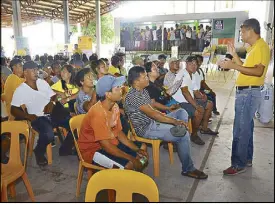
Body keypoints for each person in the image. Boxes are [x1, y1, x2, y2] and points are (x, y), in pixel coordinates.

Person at [125, 66, 208, 179]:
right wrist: (174, 122)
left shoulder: (143, 90)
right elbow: (153, 114)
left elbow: (152, 106)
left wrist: (168, 110)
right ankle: (188, 168)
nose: (147, 79)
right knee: (183, 135)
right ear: (136, 81)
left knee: (181, 112)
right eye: (144, 77)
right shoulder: (134, 96)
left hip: (152, 122)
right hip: (146, 129)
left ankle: (178, 137)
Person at [218, 18, 270, 175]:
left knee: (240, 129)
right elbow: (245, 68)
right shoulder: (255, 48)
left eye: (242, 31)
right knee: (246, 127)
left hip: (248, 92)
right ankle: (246, 158)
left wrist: (232, 66)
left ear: (250, 30)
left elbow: (258, 71)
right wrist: (234, 56)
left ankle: (238, 164)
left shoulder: (261, 47)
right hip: (247, 91)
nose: (241, 34)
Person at [10, 61, 75, 166]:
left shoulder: (42, 82)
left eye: (37, 69)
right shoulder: (20, 90)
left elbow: (53, 95)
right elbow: (13, 109)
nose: (36, 72)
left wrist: (52, 102)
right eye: (33, 70)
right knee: (49, 135)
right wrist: (27, 116)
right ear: (25, 72)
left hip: (53, 112)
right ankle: (39, 151)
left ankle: (64, 149)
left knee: (74, 125)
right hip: (38, 117)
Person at [78, 75, 148, 171]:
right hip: (93, 150)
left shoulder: (114, 106)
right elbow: (106, 147)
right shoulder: (98, 113)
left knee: (141, 150)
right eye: (117, 88)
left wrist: (136, 150)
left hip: (110, 141)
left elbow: (118, 132)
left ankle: (132, 178)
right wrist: (131, 158)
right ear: (108, 94)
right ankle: (120, 182)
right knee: (129, 164)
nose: (122, 90)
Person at [172, 56, 218, 145]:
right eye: (191, 64)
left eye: (195, 64)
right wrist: (196, 106)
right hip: (180, 102)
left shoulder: (192, 75)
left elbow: (195, 91)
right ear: (186, 64)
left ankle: (204, 129)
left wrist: (202, 96)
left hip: (188, 100)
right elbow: (185, 92)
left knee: (209, 104)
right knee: (199, 111)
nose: (194, 66)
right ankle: (194, 135)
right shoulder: (183, 74)